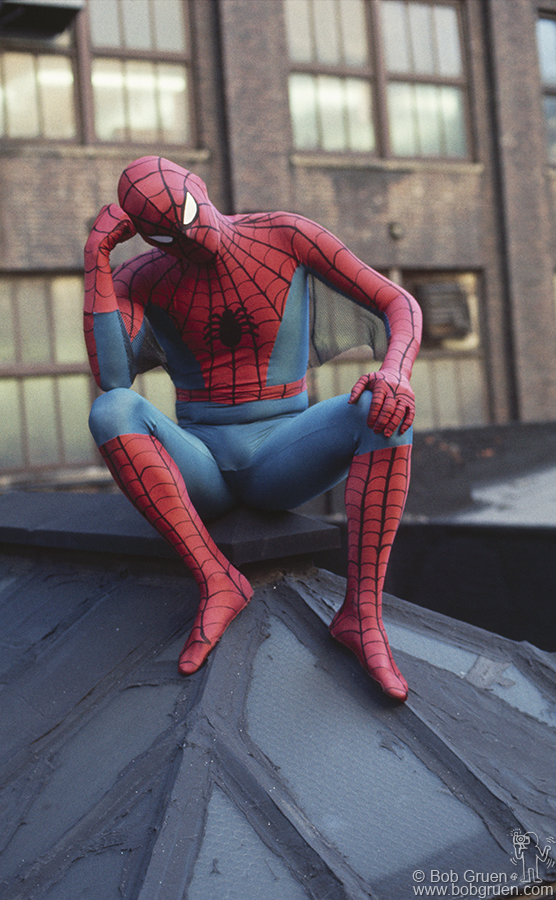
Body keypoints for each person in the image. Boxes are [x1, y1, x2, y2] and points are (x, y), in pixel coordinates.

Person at [84, 156, 422, 701]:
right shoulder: (139, 277)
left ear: (200, 187)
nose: (191, 238)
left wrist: (395, 371)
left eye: (189, 214)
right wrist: (96, 258)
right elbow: (113, 377)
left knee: (384, 409)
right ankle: (216, 578)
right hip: (203, 464)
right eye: (167, 237)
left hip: (284, 451)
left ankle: (363, 613)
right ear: (144, 237)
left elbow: (396, 301)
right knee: (113, 411)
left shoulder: (284, 235)